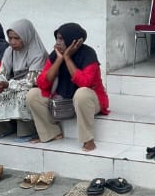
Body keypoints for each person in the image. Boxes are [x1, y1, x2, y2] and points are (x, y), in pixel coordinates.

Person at [27, 22, 110, 151]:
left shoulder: (88, 54)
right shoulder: (55, 55)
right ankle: (52, 132)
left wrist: (67, 58)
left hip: (90, 100)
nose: (57, 42)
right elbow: (42, 83)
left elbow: (84, 83)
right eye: (57, 38)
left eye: (61, 39)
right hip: (63, 100)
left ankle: (88, 139)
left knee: (82, 93)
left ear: (73, 40)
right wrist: (59, 59)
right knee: (33, 95)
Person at [0, 19, 49, 139]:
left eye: (17, 38)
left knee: (22, 94)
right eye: (10, 38)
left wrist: (7, 85)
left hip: (35, 88)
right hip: (15, 84)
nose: (12, 42)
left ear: (26, 36)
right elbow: (3, 73)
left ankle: (27, 131)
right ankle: (3, 129)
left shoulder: (38, 53)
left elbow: (31, 81)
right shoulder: (9, 51)